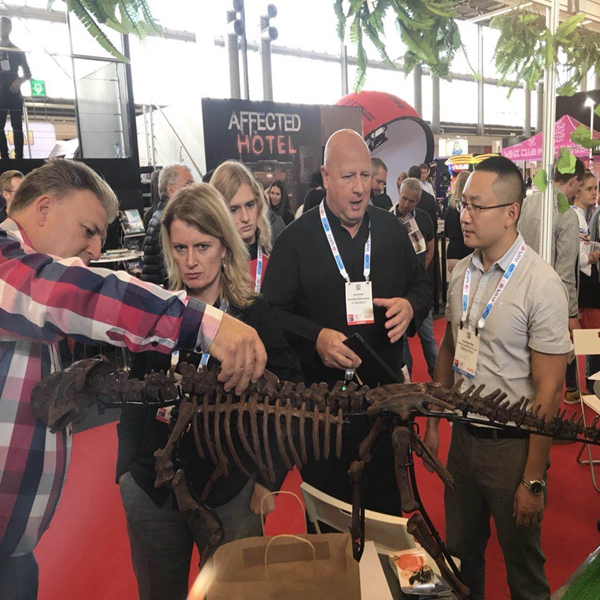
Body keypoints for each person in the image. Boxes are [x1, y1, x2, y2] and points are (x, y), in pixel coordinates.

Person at [0, 158, 266, 600]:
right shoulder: (11, 266)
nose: (93, 250)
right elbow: (76, 292)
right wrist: (206, 324)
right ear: (44, 208)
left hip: (15, 551)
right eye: (88, 230)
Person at [118, 184, 302, 600]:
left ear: (224, 246)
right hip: (151, 489)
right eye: (180, 248)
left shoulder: (253, 314)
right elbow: (134, 390)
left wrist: (269, 477)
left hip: (230, 492)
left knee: (236, 594)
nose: (191, 261)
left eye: (202, 246)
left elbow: (291, 400)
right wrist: (125, 466)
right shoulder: (160, 309)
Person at [262, 129, 432, 513]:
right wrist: (315, 338)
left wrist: (411, 306)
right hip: (322, 413)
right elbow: (270, 314)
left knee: (386, 515)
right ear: (325, 177)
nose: (359, 189)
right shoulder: (295, 240)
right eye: (347, 177)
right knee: (328, 521)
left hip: (384, 404)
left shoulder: (390, 230)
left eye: (365, 176)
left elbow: (422, 285)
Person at [424, 156, 571, 600]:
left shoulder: (540, 284)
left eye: (476, 206)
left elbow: (551, 390)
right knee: (461, 556)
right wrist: (434, 423)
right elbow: (450, 347)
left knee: (523, 569)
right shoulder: (461, 273)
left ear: (510, 213)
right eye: (463, 204)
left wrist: (533, 478)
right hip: (463, 442)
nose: (464, 216)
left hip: (513, 449)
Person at [519, 160, 582, 337]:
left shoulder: (528, 202)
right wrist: (571, 313)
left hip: (521, 293)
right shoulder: (567, 214)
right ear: (573, 181)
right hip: (550, 305)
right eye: (580, 185)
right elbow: (565, 271)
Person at [392, 177, 437, 379]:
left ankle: (437, 376)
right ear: (399, 195)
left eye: (411, 201)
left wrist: (420, 272)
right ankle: (406, 378)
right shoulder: (388, 218)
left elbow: (430, 248)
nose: (406, 204)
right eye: (404, 198)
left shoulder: (424, 219)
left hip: (419, 289)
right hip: (397, 289)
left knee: (428, 336)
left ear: (417, 201)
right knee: (401, 339)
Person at [210, 160, 273, 292]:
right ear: (219, 212)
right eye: (234, 210)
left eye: (250, 205)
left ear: (259, 204)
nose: (245, 218)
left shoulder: (274, 260)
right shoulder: (209, 268)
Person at [565, 171, 600, 402]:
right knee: (588, 339)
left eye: (596, 188)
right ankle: (584, 386)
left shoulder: (582, 216)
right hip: (582, 286)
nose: (594, 193)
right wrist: (594, 257)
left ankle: (579, 386)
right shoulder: (575, 217)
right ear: (577, 190)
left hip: (584, 285)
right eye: (589, 188)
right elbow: (576, 257)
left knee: (585, 339)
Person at [141, 163, 194, 286]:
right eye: (189, 185)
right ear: (170, 190)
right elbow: (169, 271)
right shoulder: (167, 221)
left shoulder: (160, 216)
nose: (193, 191)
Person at [0, 18, 30, 160]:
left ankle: (19, 158)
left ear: (10, 28)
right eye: (1, 26)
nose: (3, 28)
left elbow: (28, 73)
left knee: (17, 126)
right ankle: (4, 157)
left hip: (14, 93)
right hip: (0, 94)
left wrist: (19, 81)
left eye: (6, 26)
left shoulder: (17, 50)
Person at [445, 171, 472, 273]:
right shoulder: (470, 208)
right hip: (468, 251)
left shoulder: (450, 208)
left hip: (453, 252)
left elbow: (447, 232)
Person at [408, 165, 439, 232]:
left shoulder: (405, 198)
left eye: (425, 172)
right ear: (420, 176)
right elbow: (434, 224)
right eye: (422, 173)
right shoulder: (430, 198)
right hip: (426, 231)